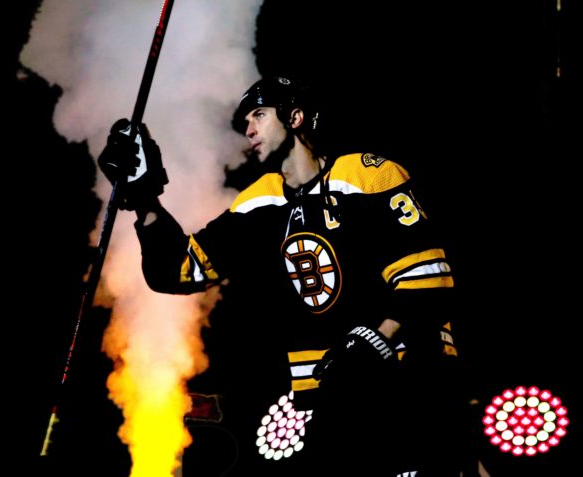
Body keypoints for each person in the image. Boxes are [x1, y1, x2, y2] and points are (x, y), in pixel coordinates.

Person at [98, 75, 464, 476]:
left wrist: (371, 343)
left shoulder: (366, 175)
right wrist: (145, 200)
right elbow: (178, 270)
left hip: (408, 381)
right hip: (327, 405)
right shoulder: (258, 202)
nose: (249, 129)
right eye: (245, 121)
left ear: (295, 117)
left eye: (259, 114)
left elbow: (429, 276)